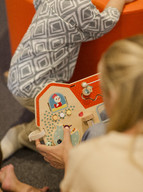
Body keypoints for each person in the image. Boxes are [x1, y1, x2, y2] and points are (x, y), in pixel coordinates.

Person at [1, 34, 143, 192]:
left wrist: (70, 162)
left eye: (103, 89)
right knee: (96, 131)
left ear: (114, 96)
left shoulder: (99, 161)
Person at [1, 0, 136, 160]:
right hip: (39, 88)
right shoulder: (79, 6)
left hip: (20, 70)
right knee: (67, 128)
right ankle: (24, 136)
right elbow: (103, 24)